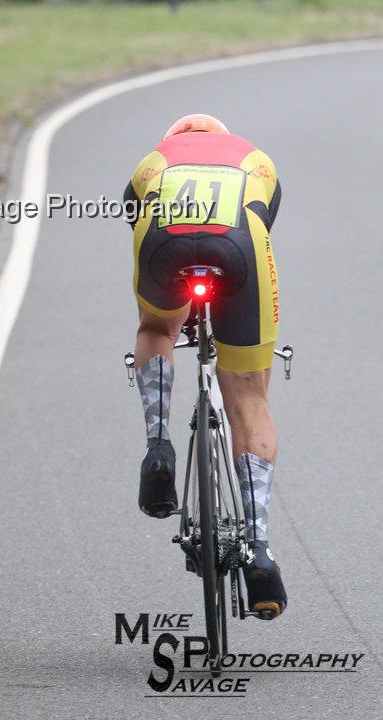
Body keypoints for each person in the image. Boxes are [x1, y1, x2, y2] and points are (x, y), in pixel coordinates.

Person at [124, 112, 287, 619]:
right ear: (224, 138)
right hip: (238, 247)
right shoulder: (256, 158)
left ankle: (158, 449)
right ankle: (259, 548)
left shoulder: (152, 162)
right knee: (248, 395)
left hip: (163, 244)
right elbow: (264, 224)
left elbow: (135, 217)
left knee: (156, 329)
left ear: (174, 140)